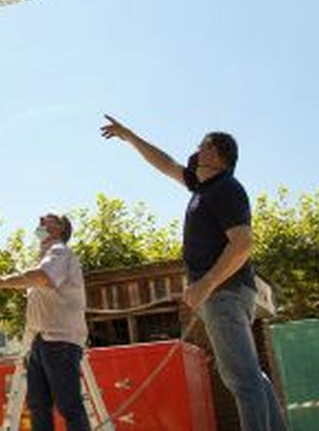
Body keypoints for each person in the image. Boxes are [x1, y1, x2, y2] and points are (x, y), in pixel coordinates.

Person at [100, 115, 287, 431]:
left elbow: (243, 243)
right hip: (225, 292)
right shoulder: (205, 187)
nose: (196, 149)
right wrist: (130, 136)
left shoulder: (226, 188)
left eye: (202, 145)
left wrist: (207, 284)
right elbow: (166, 163)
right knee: (251, 375)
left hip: (224, 293)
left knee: (241, 380)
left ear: (217, 154)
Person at [0, 214, 91, 431]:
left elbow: (42, 277)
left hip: (60, 340)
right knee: (38, 406)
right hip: (41, 341)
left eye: (48, 219)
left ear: (60, 229)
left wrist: (1, 281)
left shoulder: (60, 252)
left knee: (68, 406)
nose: (40, 220)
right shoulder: (45, 258)